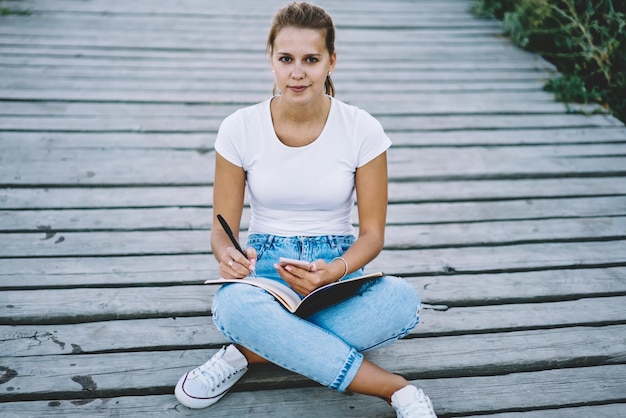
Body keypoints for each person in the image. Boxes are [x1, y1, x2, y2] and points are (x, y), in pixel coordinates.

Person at [174, 2, 438, 417]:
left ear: (331, 61)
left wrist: (334, 270)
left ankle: (244, 354)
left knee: (400, 301)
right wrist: (228, 256)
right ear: (272, 61)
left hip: (336, 270)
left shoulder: (361, 129)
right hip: (265, 269)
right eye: (286, 59)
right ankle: (393, 388)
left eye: (311, 59)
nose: (297, 72)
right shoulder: (239, 128)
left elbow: (372, 235)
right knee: (232, 306)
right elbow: (221, 230)